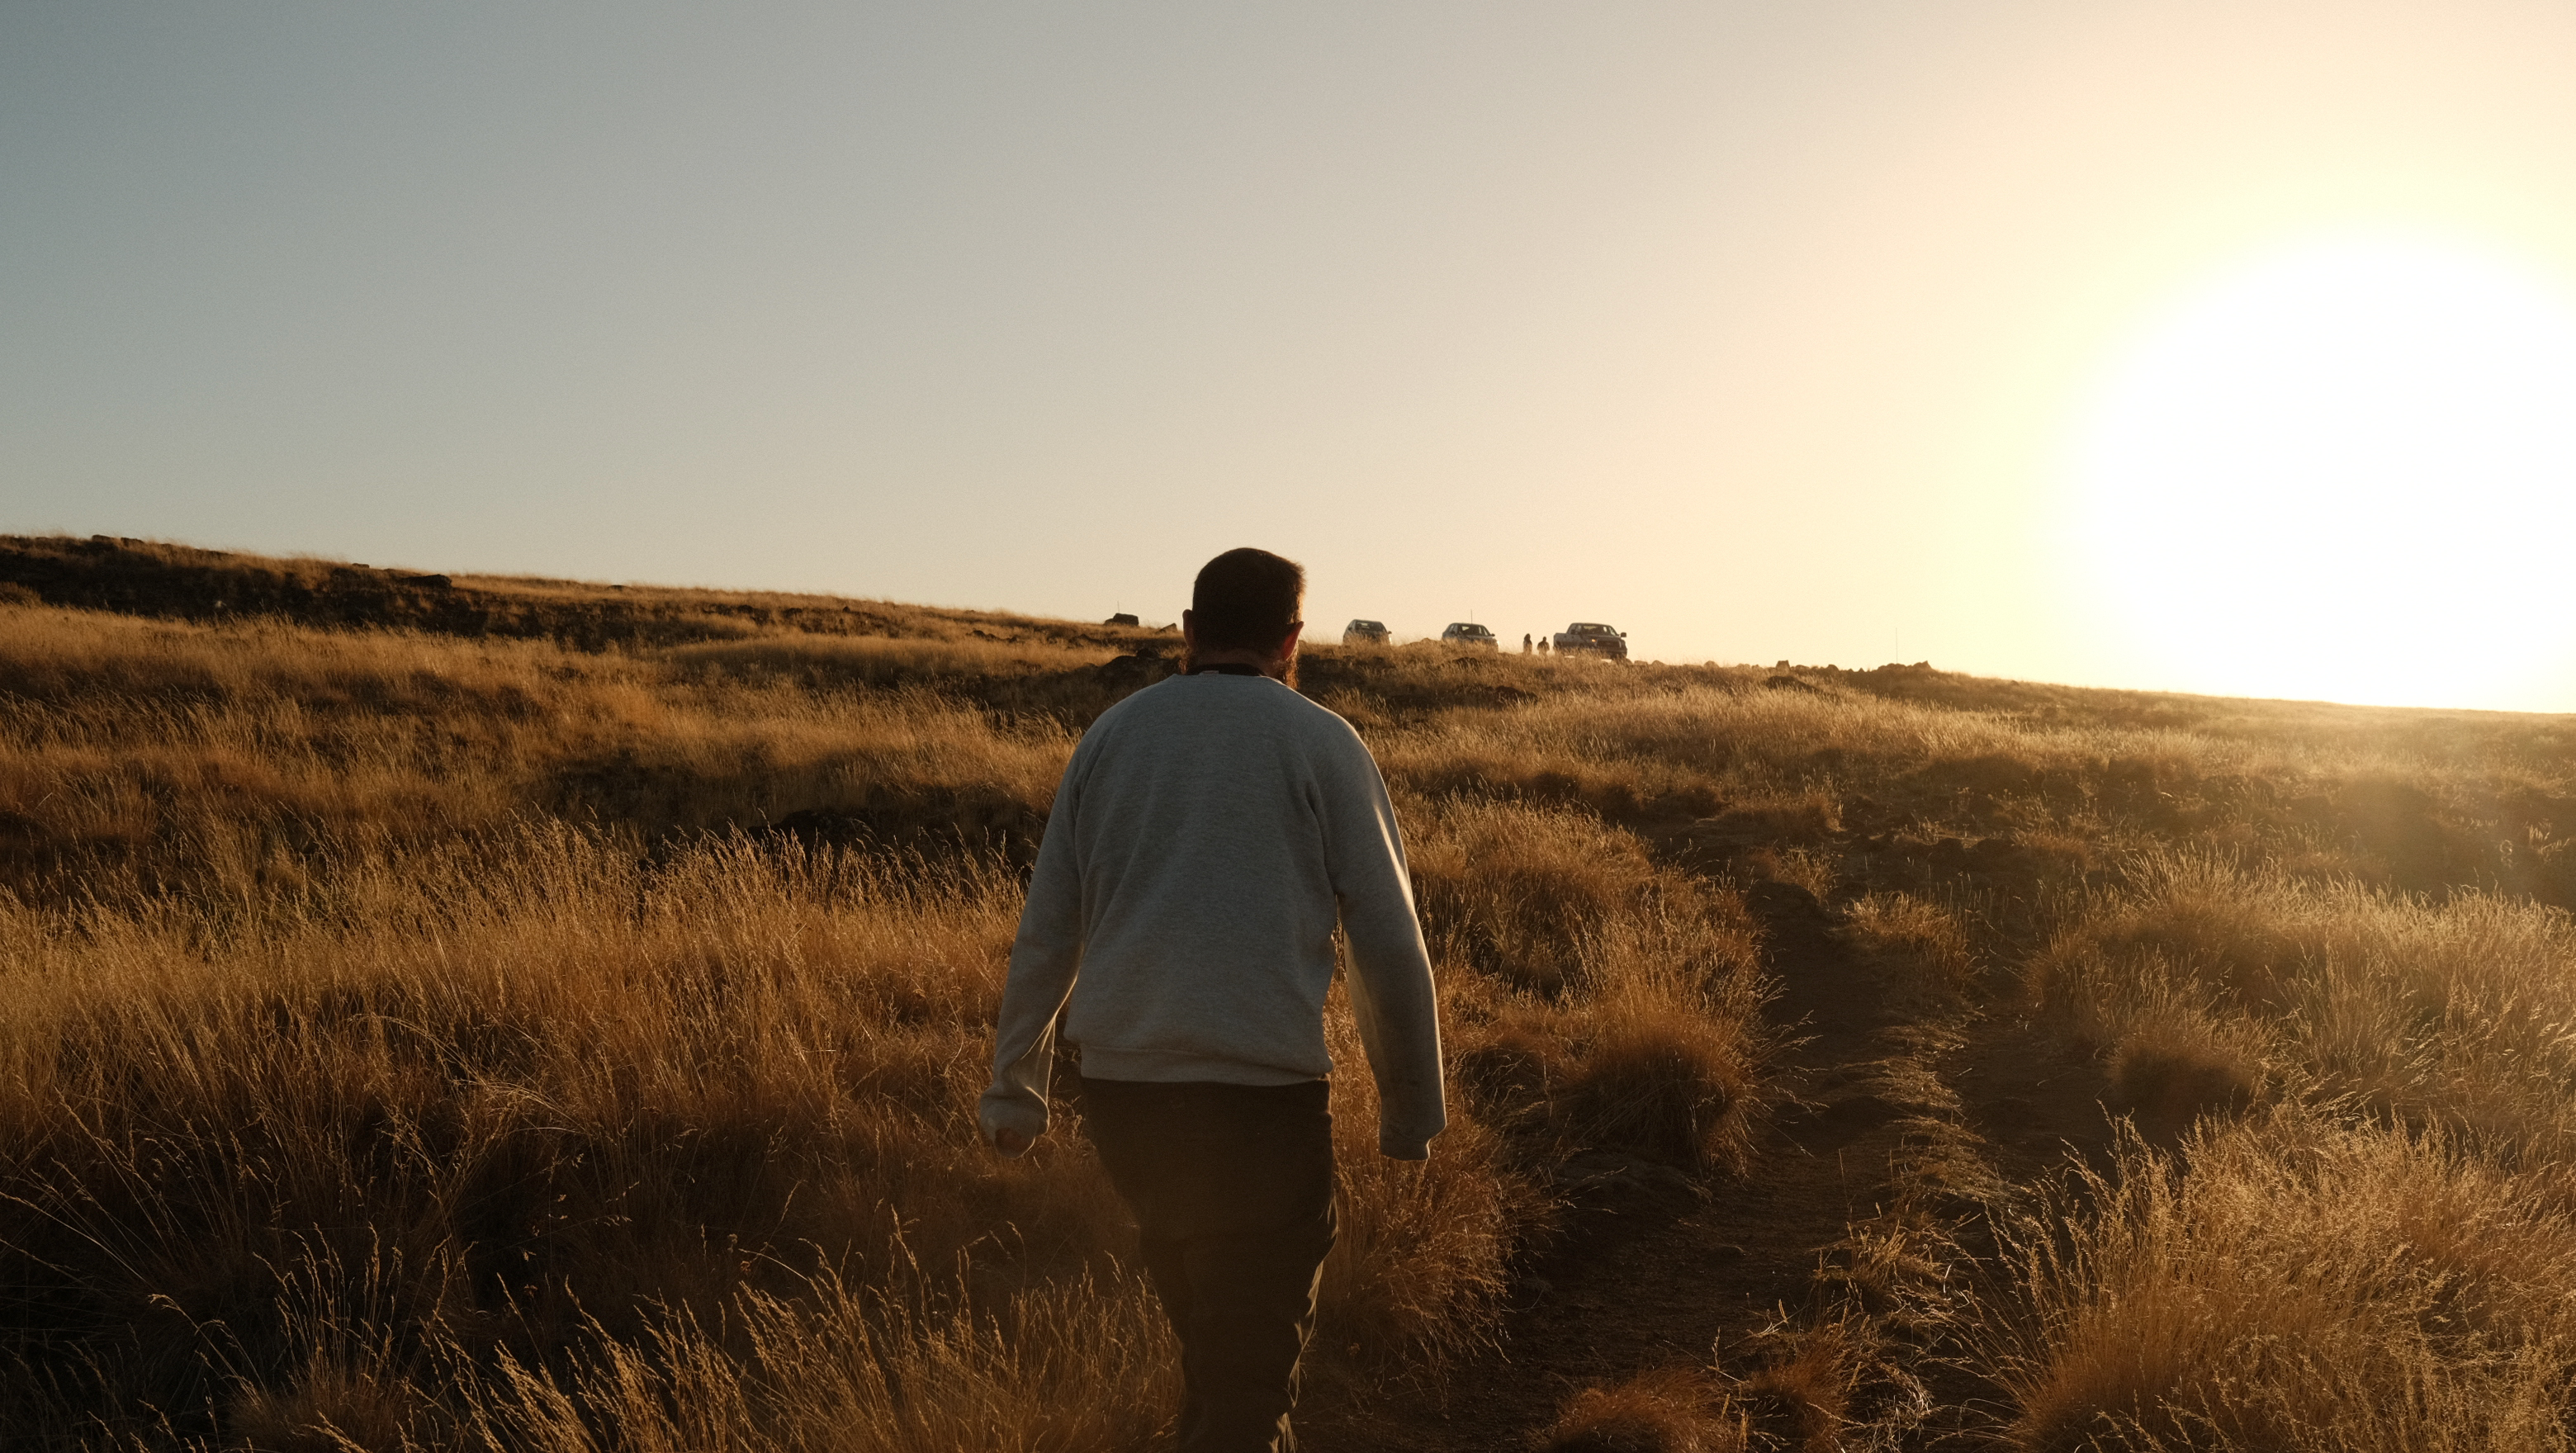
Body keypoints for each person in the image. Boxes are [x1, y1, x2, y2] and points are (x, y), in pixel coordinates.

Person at [980, 547, 1445, 1453]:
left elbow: (1049, 929)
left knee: (1218, 1353)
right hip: (1262, 1107)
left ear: (1188, 631)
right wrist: (1412, 1112)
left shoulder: (1112, 739)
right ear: (1292, 638)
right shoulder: (1322, 742)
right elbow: (1389, 940)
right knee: (1246, 1382)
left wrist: (1014, 1087)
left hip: (1126, 1101)